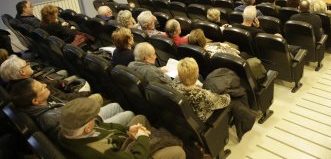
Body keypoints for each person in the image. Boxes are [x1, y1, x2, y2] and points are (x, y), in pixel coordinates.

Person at [58, 97, 186, 159]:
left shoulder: (69, 129)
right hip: (129, 154)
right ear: (87, 129)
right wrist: (142, 138)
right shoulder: (96, 152)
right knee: (178, 151)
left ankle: (152, 141)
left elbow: (106, 126)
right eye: (93, 117)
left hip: (122, 143)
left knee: (140, 118)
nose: (96, 117)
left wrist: (128, 130)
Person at [9, 79, 135, 140]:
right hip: (88, 128)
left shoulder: (42, 104)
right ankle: (124, 137)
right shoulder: (49, 118)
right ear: (35, 101)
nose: (45, 85)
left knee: (115, 106)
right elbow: (79, 132)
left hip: (84, 119)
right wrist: (94, 117)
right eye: (41, 88)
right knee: (129, 114)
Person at [0, 54, 91, 101]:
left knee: (69, 75)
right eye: (26, 64)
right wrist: (87, 93)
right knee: (85, 85)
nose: (29, 65)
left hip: (58, 92)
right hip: (65, 101)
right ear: (22, 72)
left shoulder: (15, 84)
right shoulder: (34, 88)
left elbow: (48, 84)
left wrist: (60, 82)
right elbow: (63, 98)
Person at [172, 58, 230, 122]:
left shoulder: (175, 82)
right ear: (196, 74)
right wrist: (228, 95)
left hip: (185, 115)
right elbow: (225, 101)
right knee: (234, 101)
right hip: (200, 120)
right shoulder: (202, 95)